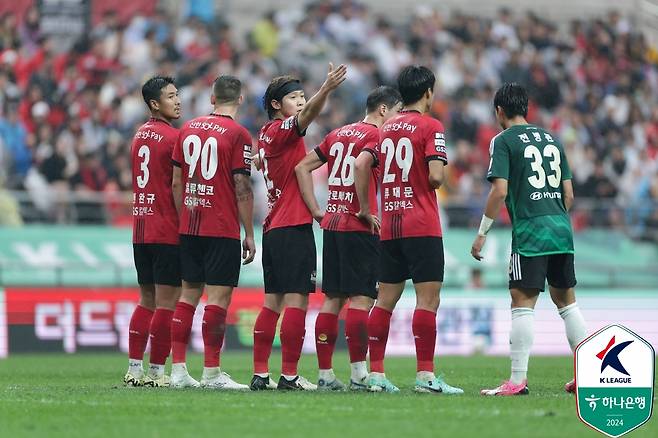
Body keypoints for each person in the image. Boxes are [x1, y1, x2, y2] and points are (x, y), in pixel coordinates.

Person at [471, 83, 587, 396]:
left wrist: (482, 234)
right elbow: (569, 194)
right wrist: (553, 215)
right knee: (567, 303)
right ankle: (587, 373)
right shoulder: (552, 138)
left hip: (531, 233)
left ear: (499, 111)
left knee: (522, 303)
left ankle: (517, 380)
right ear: (526, 108)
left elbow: (500, 190)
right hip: (561, 229)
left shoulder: (503, 140)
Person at [363, 65, 463, 394]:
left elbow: (363, 165)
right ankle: (425, 377)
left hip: (390, 224)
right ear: (428, 93)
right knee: (427, 301)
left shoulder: (387, 127)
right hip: (421, 223)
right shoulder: (431, 125)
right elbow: (435, 177)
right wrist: (443, 174)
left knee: (384, 301)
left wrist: (367, 207)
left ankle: (375, 374)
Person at [295, 86, 402, 390]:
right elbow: (360, 165)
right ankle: (358, 374)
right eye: (395, 112)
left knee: (332, 299)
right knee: (361, 298)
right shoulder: (377, 136)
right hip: (358, 226)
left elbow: (302, 166)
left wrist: (318, 210)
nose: (397, 119)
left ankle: (325, 374)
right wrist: (366, 210)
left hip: (333, 224)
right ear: (383, 109)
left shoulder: (339, 133)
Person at [250, 63, 347, 391]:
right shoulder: (280, 131)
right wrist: (327, 88)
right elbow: (306, 119)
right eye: (295, 97)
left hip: (273, 228)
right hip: (293, 225)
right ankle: (289, 375)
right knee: (296, 302)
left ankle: (260, 373)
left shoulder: (264, 135)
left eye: (303, 96)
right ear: (277, 105)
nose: (302, 102)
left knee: (271, 303)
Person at [168, 75, 256, 390]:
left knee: (188, 294)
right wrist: (249, 232)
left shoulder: (187, 128)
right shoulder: (239, 134)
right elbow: (242, 185)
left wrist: (184, 217)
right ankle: (211, 373)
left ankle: (178, 371)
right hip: (221, 226)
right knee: (218, 297)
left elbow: (176, 182)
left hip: (189, 224)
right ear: (241, 99)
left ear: (212, 98)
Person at [125, 76, 181, 387]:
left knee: (145, 300)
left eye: (178, 95)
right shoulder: (173, 138)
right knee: (166, 304)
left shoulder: (138, 136)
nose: (178, 101)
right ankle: (158, 372)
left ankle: (134, 370)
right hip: (167, 230)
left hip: (141, 229)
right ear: (155, 104)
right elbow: (176, 184)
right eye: (171, 96)